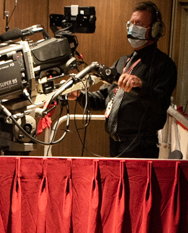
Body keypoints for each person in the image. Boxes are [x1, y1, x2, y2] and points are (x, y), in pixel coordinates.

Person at [72, 1, 177, 158]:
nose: (132, 27)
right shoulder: (123, 62)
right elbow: (103, 99)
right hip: (115, 144)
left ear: (155, 30)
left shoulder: (164, 65)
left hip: (141, 148)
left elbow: (162, 103)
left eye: (139, 24)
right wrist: (80, 96)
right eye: (131, 23)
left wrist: (141, 86)